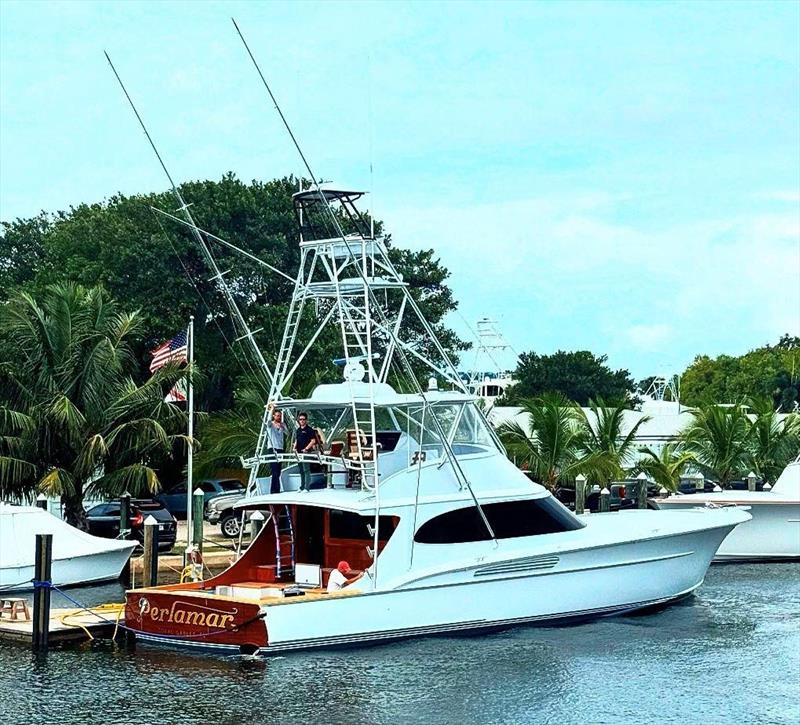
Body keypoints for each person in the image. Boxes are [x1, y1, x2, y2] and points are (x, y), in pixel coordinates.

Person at [295, 411, 319, 492]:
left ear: (306, 420)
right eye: (300, 419)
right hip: (298, 452)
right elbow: (296, 440)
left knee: (306, 470)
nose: (302, 421)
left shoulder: (309, 430)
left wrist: (306, 449)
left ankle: (306, 487)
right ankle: (302, 486)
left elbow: (313, 441)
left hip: (306, 452)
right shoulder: (298, 430)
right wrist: (294, 447)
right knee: (301, 470)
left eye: (303, 419)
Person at [267, 405, 287, 494]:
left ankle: (276, 489)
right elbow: (267, 421)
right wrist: (272, 409)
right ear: (274, 416)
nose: (278, 417)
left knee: (278, 470)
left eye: (279, 415)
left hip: (280, 448)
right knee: (274, 469)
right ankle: (274, 490)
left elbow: (288, 432)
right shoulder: (270, 424)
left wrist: (282, 426)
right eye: (277, 415)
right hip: (272, 448)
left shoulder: (282, 424)